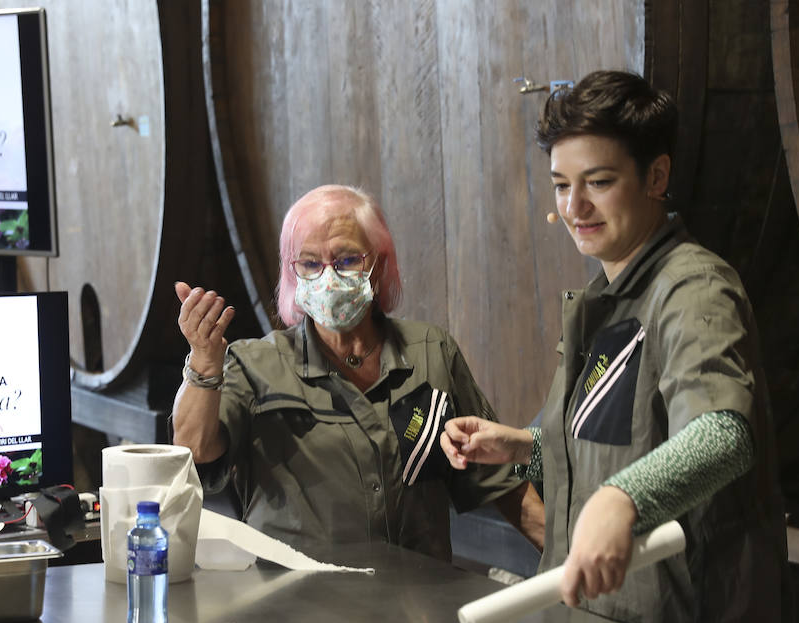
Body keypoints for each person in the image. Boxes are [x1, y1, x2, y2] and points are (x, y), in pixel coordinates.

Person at [441, 71, 792, 623]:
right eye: (561, 185)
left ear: (656, 177)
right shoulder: (606, 297)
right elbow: (608, 450)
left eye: (598, 183)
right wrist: (521, 448)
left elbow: (722, 435)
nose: (574, 207)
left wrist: (623, 499)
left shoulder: (691, 287)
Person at [172, 184, 544, 562]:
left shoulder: (431, 352)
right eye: (311, 263)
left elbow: (498, 481)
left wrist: (575, 563)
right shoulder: (256, 364)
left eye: (348, 259)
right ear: (293, 272)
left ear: (379, 263)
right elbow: (193, 450)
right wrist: (203, 361)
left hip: (417, 605)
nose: (329, 277)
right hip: (294, 607)